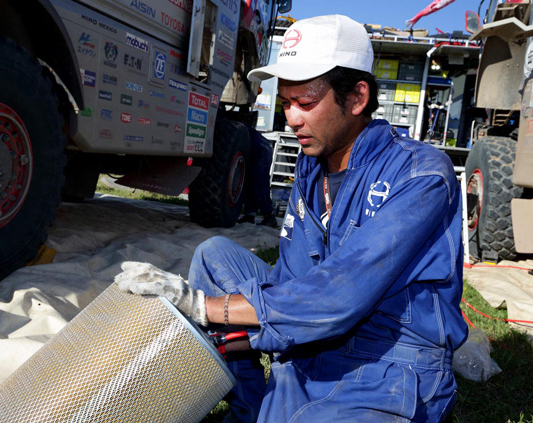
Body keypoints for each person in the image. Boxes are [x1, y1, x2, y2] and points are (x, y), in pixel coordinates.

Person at [117, 15, 468, 422]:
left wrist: (206, 307)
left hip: (385, 360)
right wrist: (244, 326)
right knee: (215, 256)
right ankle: (248, 408)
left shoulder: (420, 174)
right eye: (286, 102)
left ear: (357, 98)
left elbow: (339, 295)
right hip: (312, 342)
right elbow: (297, 276)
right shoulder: (311, 164)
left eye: (306, 103)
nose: (292, 118)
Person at [237, 126, 278, 228]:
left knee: (259, 183)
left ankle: (269, 215)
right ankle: (250, 214)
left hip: (261, 150)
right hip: (257, 148)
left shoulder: (243, 132)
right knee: (249, 181)